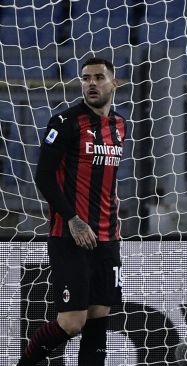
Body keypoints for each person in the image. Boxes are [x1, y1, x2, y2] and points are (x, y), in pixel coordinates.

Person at [17, 57, 126, 365]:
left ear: (113, 83)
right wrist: (74, 221)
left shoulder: (120, 125)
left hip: (107, 236)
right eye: (86, 78)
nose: (91, 83)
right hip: (70, 235)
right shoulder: (65, 123)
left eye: (99, 77)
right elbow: (43, 176)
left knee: (98, 321)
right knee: (72, 323)